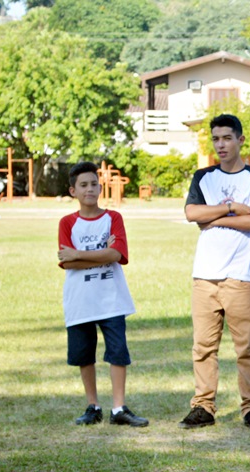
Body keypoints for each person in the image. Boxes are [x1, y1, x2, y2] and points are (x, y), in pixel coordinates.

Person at [181, 114, 250, 431]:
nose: (221, 144)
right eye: (216, 139)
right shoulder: (203, 177)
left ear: (240, 140)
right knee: (203, 347)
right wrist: (232, 208)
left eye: (227, 138)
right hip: (205, 275)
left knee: (246, 348)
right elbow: (192, 213)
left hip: (242, 275)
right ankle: (203, 406)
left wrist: (213, 217)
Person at [57, 161, 148, 427]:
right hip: (80, 301)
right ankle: (93, 406)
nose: (90, 189)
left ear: (100, 187)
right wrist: (101, 255)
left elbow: (117, 255)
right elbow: (68, 262)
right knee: (84, 355)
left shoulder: (113, 218)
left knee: (118, 352)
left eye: (94, 184)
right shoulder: (67, 223)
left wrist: (81, 254)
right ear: (73, 191)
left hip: (111, 300)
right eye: (83, 185)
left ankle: (118, 408)